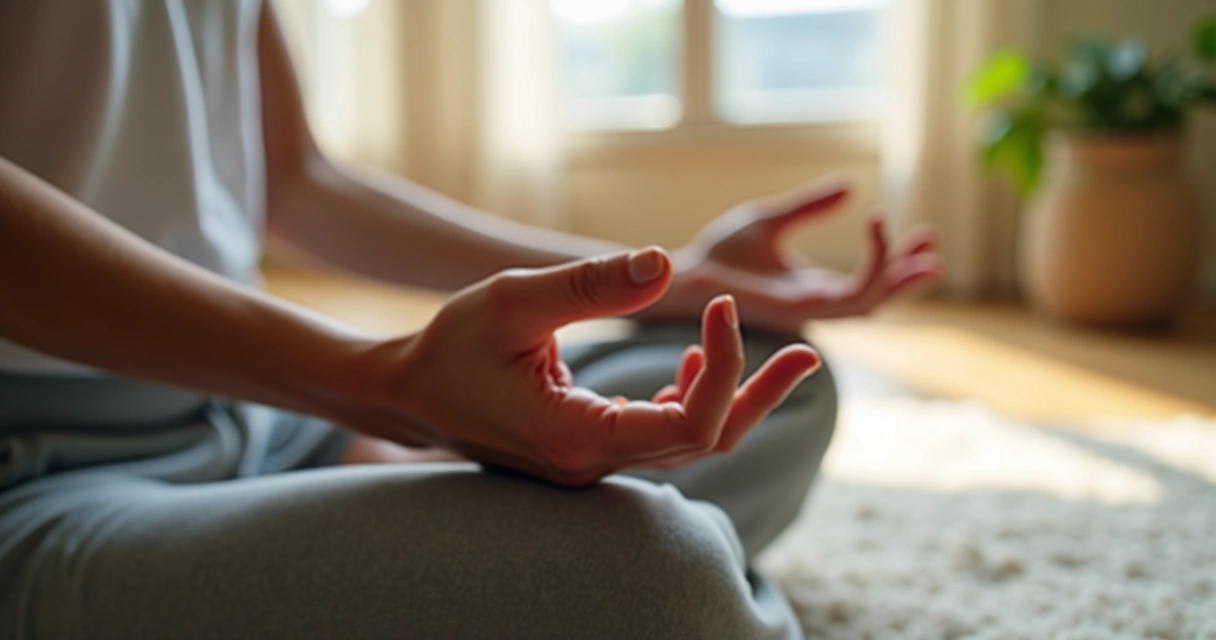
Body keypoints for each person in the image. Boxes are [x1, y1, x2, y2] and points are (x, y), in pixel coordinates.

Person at [0, 1, 941, 638]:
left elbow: (297, 180)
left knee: (776, 379)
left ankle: (407, 519)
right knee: (665, 578)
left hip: (263, 407)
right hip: (46, 470)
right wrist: (385, 384)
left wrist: (674, 283)